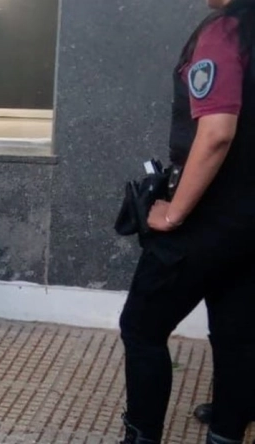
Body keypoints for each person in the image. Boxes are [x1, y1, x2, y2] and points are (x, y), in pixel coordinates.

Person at [117, 0, 255, 443]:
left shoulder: (224, 33)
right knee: (237, 331)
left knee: (141, 327)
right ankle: (227, 434)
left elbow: (217, 133)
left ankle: (141, 437)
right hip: (250, 222)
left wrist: (174, 212)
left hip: (206, 218)